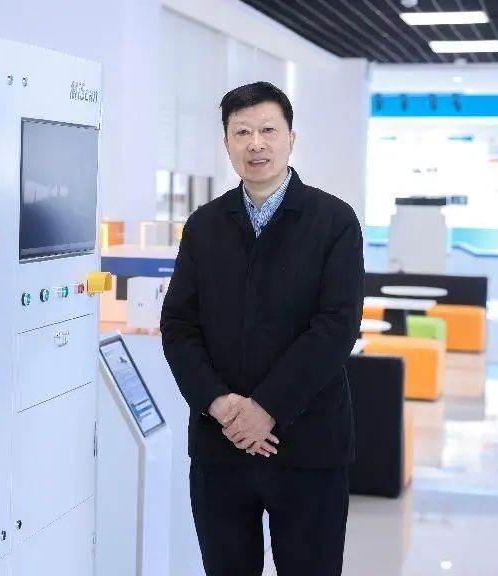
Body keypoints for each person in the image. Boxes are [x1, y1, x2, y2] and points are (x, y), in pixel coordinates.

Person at [160, 81, 364, 576]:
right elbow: (179, 325)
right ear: (227, 142)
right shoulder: (204, 225)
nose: (256, 144)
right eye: (242, 132)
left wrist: (266, 408)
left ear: (291, 138)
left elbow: (337, 326)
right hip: (221, 446)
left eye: (268, 130)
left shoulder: (334, 220)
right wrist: (218, 403)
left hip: (309, 445)